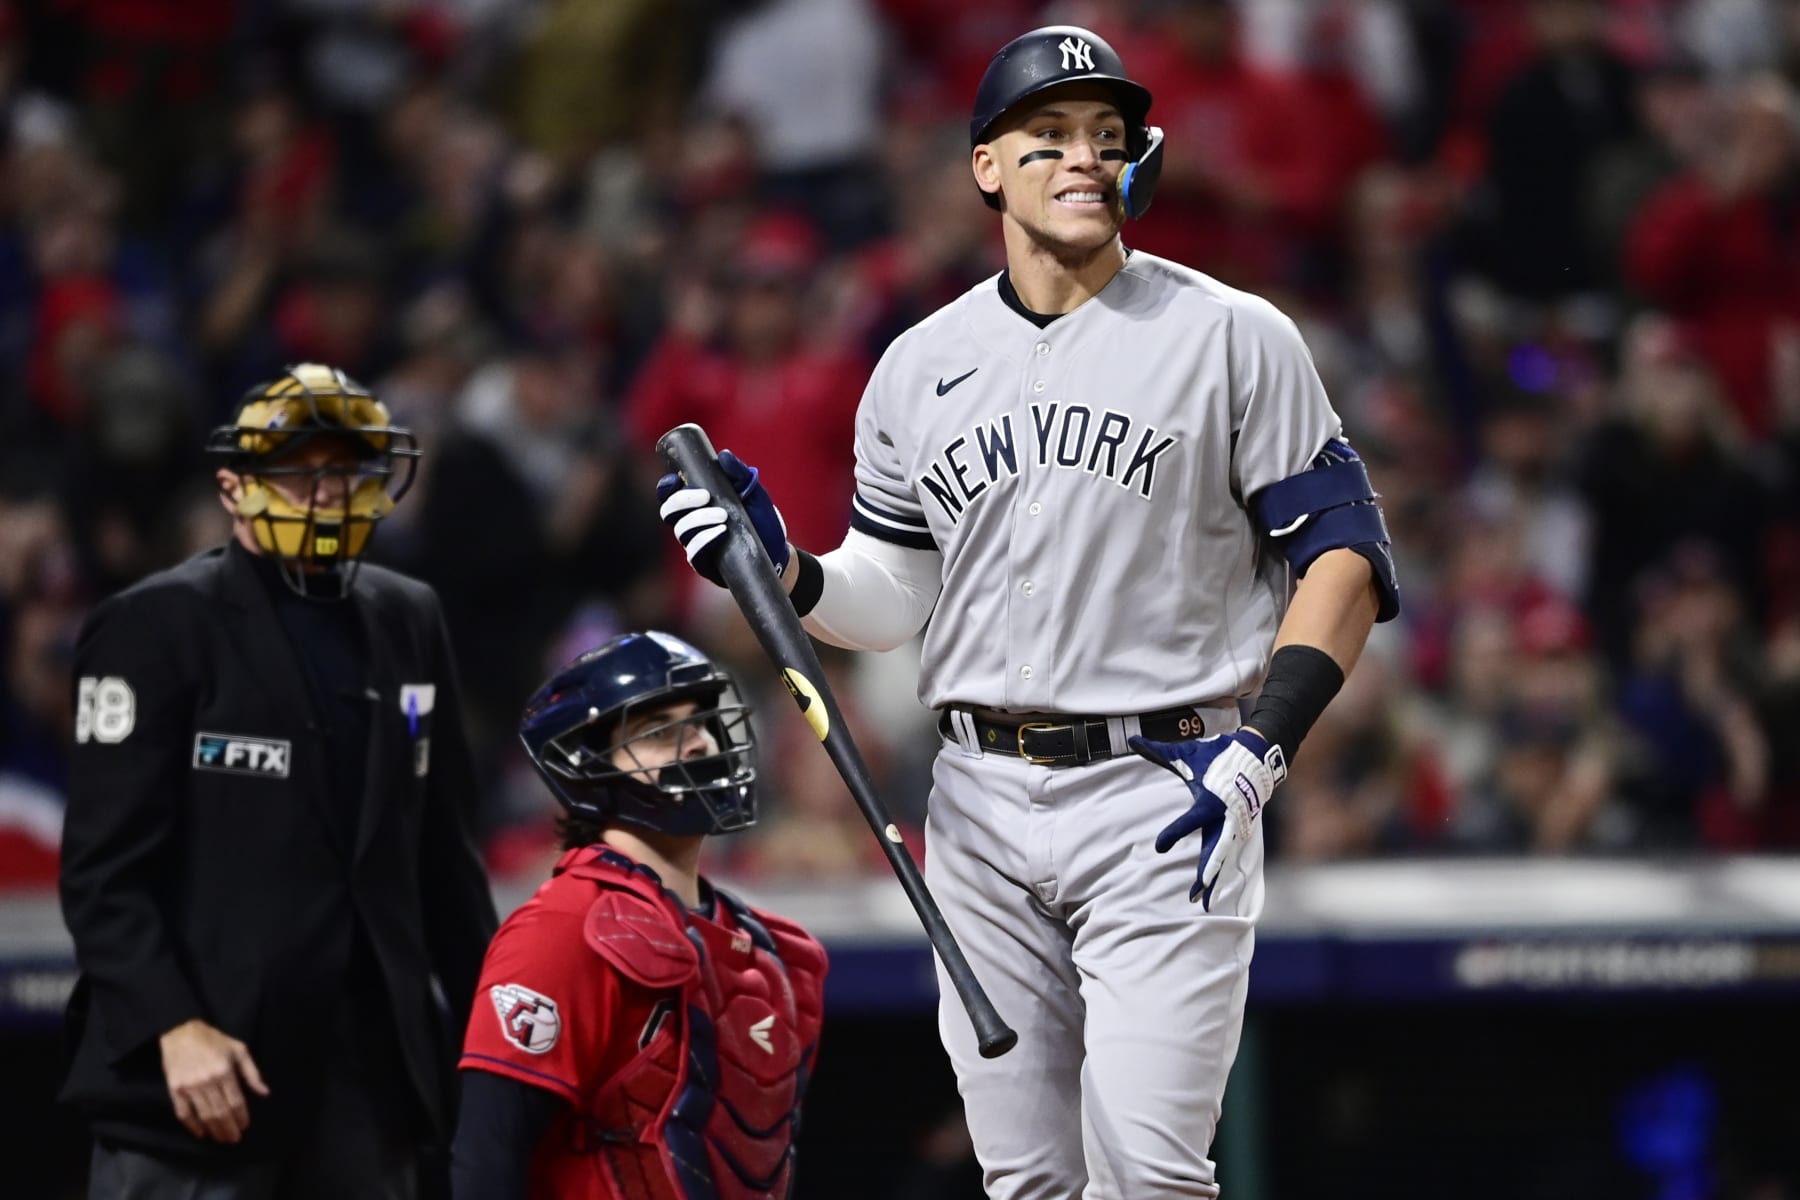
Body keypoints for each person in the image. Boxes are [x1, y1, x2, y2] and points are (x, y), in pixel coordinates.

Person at [656, 25, 1400, 1199]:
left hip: (1176, 787)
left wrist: (1264, 750)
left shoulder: (1232, 335)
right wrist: (789, 570)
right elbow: (894, 595)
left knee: (1149, 1175)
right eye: (1047, 137)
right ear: (986, 168)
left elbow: (1346, 558)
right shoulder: (917, 364)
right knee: (1029, 1183)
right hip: (980, 805)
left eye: (1107, 138)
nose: (1083, 159)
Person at [59, 363, 499, 1198]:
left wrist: (495, 1044)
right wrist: (173, 1026)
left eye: (349, 468)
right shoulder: (152, 625)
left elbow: (446, 864)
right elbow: (103, 875)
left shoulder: (410, 617)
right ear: (235, 486)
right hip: (200, 1078)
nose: (328, 491)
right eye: (302, 469)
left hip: (371, 1087)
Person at [449, 631, 828, 1200]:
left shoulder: (771, 952)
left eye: (699, 722)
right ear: (588, 766)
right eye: (658, 732)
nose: (698, 743)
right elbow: (485, 1158)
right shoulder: (564, 927)